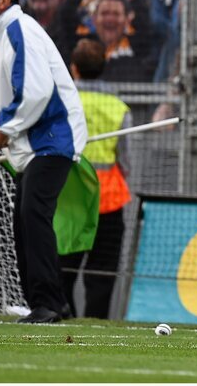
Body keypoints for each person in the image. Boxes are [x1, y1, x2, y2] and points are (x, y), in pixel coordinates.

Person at [0, 0, 88, 324]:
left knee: (32, 216)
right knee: (26, 218)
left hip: (53, 139)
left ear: (3, 1)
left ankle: (48, 303)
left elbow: (36, 90)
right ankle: (51, 302)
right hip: (40, 143)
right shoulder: (4, 36)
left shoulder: (18, 30)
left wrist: (5, 126)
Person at [61, 39, 132, 319]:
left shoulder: (62, 102)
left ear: (73, 68)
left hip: (68, 199)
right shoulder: (118, 107)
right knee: (102, 272)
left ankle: (65, 318)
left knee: (63, 268)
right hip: (108, 200)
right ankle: (95, 324)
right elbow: (126, 162)